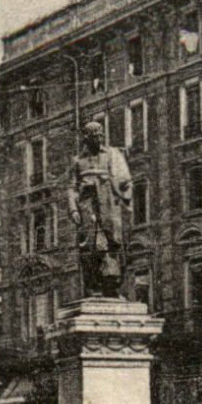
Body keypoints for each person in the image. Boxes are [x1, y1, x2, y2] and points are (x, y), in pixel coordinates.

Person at [65, 120, 134, 298]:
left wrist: (124, 197)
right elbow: (72, 187)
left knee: (112, 244)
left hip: (109, 207)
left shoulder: (112, 155)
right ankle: (93, 287)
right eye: (94, 136)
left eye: (101, 135)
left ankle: (111, 287)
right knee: (90, 246)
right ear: (86, 138)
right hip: (87, 208)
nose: (99, 139)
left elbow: (126, 181)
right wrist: (73, 209)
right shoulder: (78, 161)